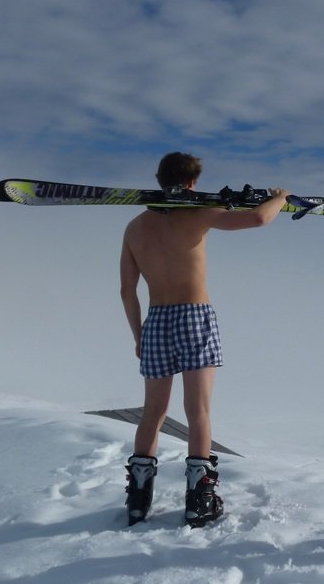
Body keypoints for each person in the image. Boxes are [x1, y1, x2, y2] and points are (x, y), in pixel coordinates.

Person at [120, 151, 290, 527]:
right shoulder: (198, 214)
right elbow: (259, 218)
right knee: (198, 412)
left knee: (153, 412)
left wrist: (138, 334)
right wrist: (280, 196)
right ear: (193, 183)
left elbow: (127, 291)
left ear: (159, 179)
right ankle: (199, 500)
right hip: (194, 315)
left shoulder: (135, 227)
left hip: (157, 320)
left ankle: (138, 499)